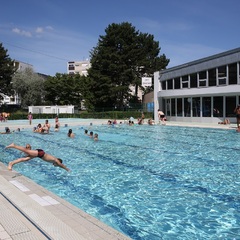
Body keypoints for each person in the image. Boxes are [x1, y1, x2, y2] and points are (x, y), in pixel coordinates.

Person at [6, 143, 70, 172]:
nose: (55, 165)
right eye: (57, 165)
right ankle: (14, 145)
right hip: (40, 153)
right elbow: (61, 165)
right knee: (26, 151)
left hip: (39, 155)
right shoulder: (56, 160)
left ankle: (11, 163)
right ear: (59, 162)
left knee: (25, 159)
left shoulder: (54, 160)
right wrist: (67, 169)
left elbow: (59, 165)